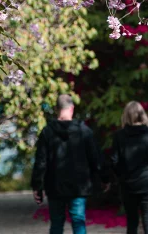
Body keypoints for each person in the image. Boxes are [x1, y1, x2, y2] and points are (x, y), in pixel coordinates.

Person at [31, 94, 105, 234]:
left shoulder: (47, 132)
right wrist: (105, 178)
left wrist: (37, 186)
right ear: (72, 108)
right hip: (79, 186)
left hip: (54, 185)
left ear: (56, 109)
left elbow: (41, 161)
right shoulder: (84, 132)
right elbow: (96, 159)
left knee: (57, 224)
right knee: (78, 221)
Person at [110, 101, 148, 234]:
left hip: (128, 185)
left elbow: (114, 161)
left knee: (132, 224)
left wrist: (122, 176)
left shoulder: (119, 136)